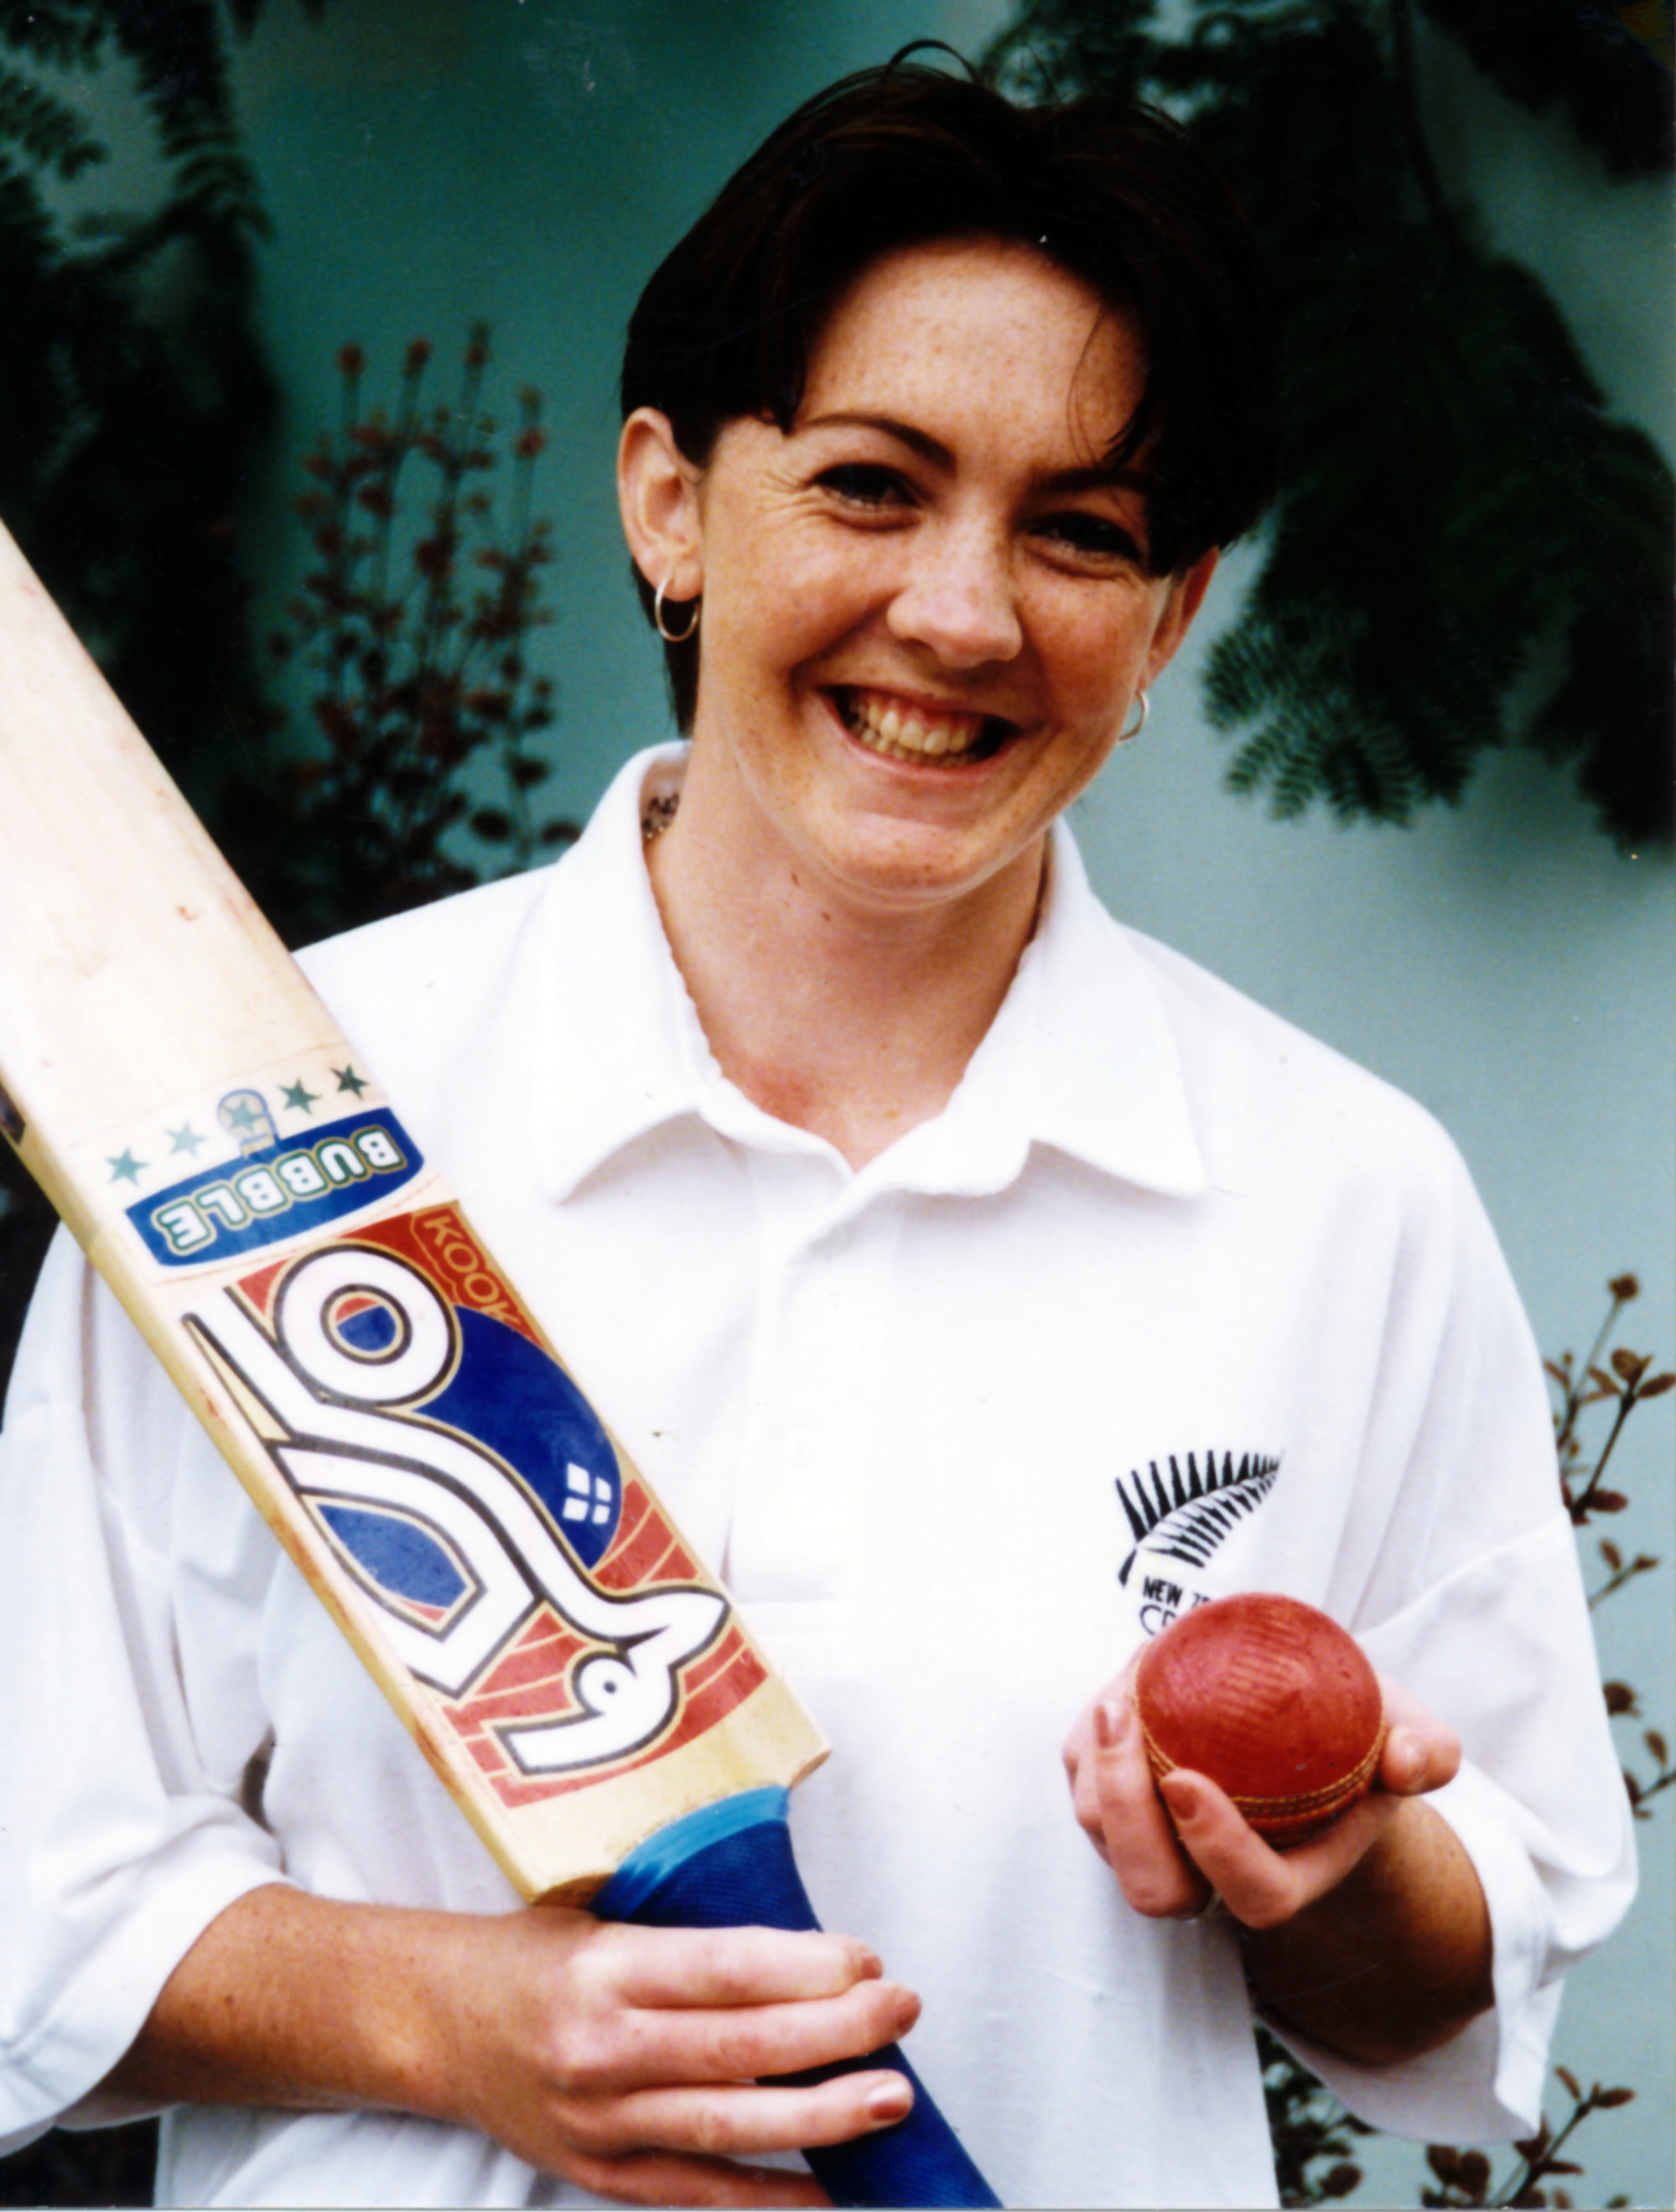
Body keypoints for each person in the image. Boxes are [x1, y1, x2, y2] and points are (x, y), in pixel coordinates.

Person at [0, 57, 1634, 2212]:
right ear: (671, 500)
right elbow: (39, 1870)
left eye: (1080, 529)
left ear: (1172, 615)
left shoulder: (1339, 1195)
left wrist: (1330, 1871)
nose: (963, 613)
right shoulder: (286, 1116)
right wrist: (466, 2022)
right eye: (872, 483)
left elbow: (1472, 1963)